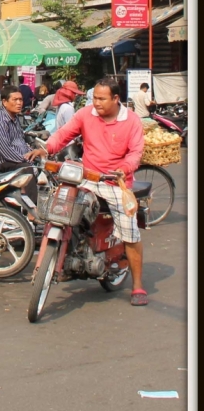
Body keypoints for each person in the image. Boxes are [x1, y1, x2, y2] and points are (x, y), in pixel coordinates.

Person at [36, 78, 147, 306]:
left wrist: (123, 169)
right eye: (94, 97)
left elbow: (136, 152)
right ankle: (61, 259)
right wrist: (45, 148)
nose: (96, 103)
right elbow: (63, 134)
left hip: (116, 183)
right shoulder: (85, 114)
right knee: (62, 207)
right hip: (87, 178)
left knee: (130, 231)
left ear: (116, 99)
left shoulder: (132, 121)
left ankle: (137, 285)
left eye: (101, 98)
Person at [0, 85, 39, 205]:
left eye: (20, 100)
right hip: (1, 164)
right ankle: (32, 210)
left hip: (15, 160)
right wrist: (26, 160)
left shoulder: (14, 119)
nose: (19, 103)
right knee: (27, 167)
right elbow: (6, 151)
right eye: (15, 100)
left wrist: (31, 153)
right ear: (4, 102)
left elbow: (20, 142)